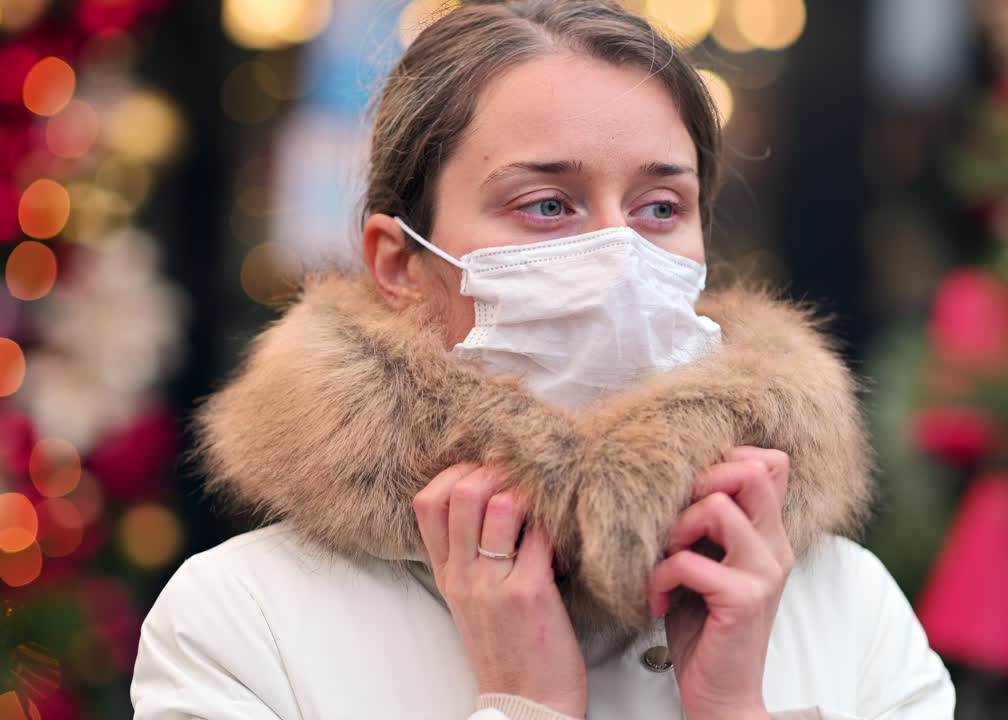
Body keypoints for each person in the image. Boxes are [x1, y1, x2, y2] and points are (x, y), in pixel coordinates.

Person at [130, 1, 955, 718]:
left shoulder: (845, 603)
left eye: (660, 206)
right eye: (548, 205)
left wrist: (740, 711)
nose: (618, 253)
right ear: (399, 265)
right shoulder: (241, 621)